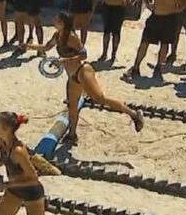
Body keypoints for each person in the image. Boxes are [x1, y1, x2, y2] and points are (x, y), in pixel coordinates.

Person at [23, 12, 144, 146]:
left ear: (63, 23)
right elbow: (46, 47)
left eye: (57, 20)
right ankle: (72, 135)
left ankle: (133, 114)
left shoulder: (72, 37)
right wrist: (28, 46)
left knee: (100, 98)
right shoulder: (57, 36)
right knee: (72, 106)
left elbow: (83, 54)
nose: (54, 21)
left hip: (82, 71)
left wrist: (65, 60)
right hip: (72, 76)